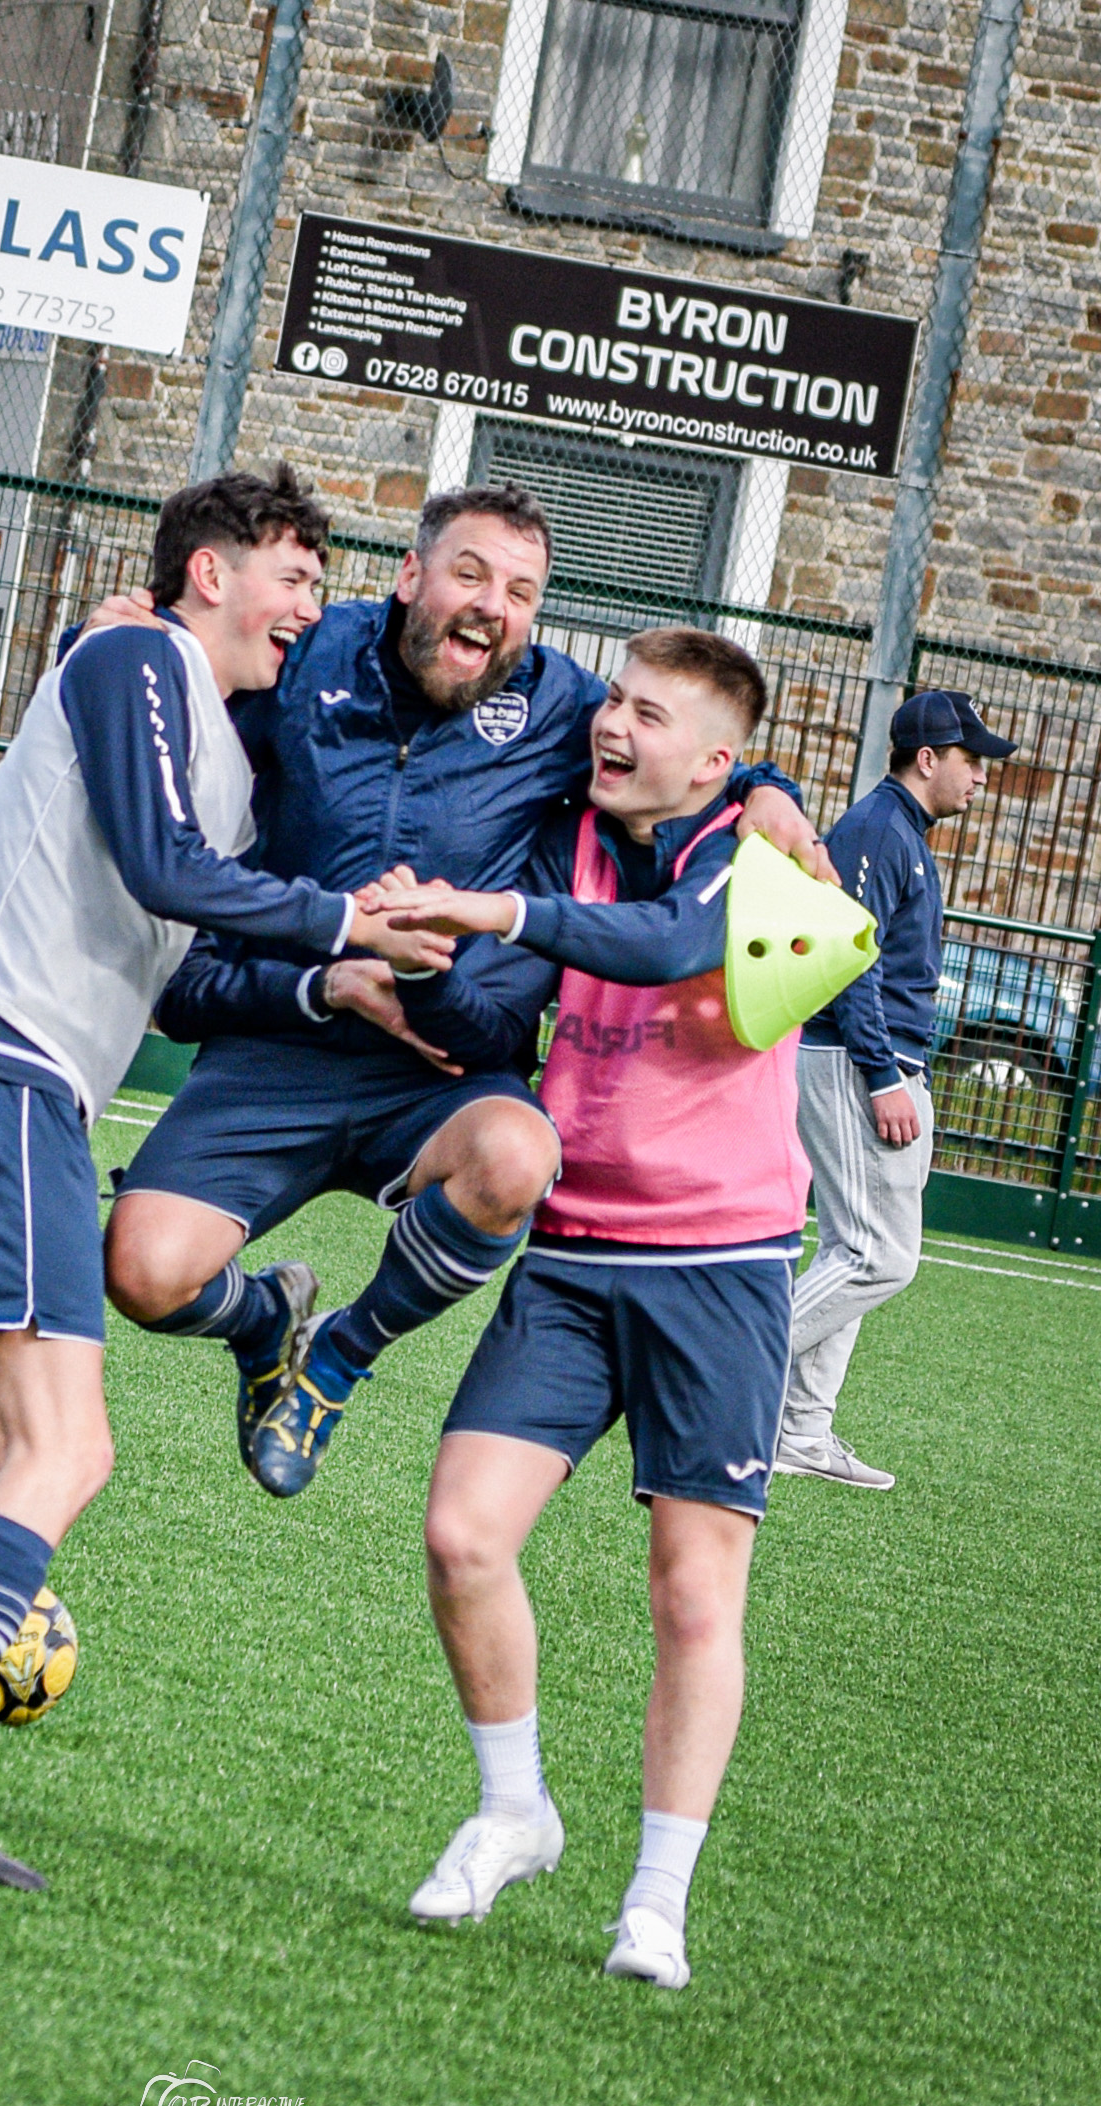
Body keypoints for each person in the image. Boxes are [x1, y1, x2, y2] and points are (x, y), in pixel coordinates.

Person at [0, 467, 453, 1886]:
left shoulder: (215, 753)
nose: (307, 610)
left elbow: (181, 970)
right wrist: (344, 920)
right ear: (209, 573)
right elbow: (166, 867)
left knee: (16, 1456)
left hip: (8, 1080)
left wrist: (326, 986)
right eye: (294, 578)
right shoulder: (136, 657)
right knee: (63, 1454)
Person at [97, 487, 826, 1496]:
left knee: (518, 1154)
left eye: (521, 592)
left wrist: (766, 786)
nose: (493, 605)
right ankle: (267, 1322)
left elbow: (683, 745)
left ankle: (341, 1354)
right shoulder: (312, 655)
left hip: (434, 1074)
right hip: (279, 1042)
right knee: (141, 1273)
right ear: (411, 575)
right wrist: (118, 634)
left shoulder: (561, 704)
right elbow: (184, 665)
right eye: (470, 574)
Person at [373, 627, 807, 1991]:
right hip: (570, 1253)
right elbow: (494, 1012)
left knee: (692, 1593)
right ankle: (515, 1810)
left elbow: (670, 942)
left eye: (650, 715)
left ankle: (656, 1900)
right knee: (461, 1535)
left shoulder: (760, 850)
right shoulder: (571, 826)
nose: (613, 725)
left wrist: (493, 911)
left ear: (719, 760)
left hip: (718, 1267)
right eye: (613, 701)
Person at [776, 691, 1016, 1489]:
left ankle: (801, 1432)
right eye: (971, 759)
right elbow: (849, 959)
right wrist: (883, 1076)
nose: (980, 775)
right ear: (928, 758)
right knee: (881, 1257)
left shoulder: (902, 831)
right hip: (855, 1062)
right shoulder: (879, 828)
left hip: (882, 1062)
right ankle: (728, 1368)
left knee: (854, 1252)